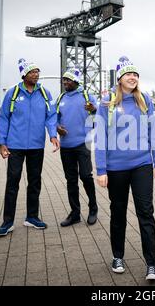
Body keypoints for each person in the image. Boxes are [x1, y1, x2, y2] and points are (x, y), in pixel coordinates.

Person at [94, 56, 155, 281]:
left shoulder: (145, 100)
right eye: (128, 74)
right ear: (120, 79)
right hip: (116, 168)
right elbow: (100, 137)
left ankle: (151, 264)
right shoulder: (107, 102)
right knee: (118, 212)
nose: (132, 77)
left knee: (146, 213)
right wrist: (101, 169)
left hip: (142, 164)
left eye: (135, 74)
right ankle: (118, 256)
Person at [0, 58, 60, 236]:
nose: (36, 75)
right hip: (15, 146)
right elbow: (4, 118)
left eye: (38, 71)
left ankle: (31, 217)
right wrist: (2, 142)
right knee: (12, 183)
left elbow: (51, 115)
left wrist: (53, 134)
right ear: (24, 75)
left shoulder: (45, 93)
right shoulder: (13, 93)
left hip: (36, 146)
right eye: (32, 72)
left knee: (34, 182)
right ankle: (7, 222)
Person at [57, 67, 99, 227]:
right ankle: (75, 213)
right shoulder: (61, 98)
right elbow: (54, 118)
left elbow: (100, 116)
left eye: (68, 80)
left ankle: (93, 208)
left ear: (76, 81)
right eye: (64, 80)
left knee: (86, 176)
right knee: (71, 180)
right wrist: (56, 128)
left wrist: (94, 109)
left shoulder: (87, 96)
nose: (65, 83)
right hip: (66, 145)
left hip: (83, 143)